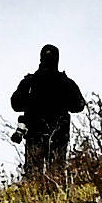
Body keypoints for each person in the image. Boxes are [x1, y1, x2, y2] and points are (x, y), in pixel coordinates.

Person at [9, 43, 87, 182]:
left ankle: (35, 200)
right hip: (58, 134)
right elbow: (79, 106)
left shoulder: (30, 82)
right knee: (56, 174)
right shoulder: (66, 83)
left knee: (33, 175)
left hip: (35, 134)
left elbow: (16, 104)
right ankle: (53, 201)